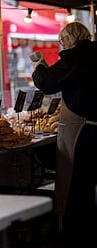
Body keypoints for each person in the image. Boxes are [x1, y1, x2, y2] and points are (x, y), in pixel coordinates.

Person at [31, 21, 97, 246]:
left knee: (77, 186)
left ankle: (75, 234)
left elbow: (48, 83)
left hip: (83, 131)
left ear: (71, 38)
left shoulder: (75, 56)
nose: (62, 45)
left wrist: (39, 66)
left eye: (63, 40)